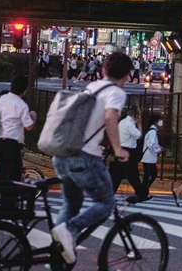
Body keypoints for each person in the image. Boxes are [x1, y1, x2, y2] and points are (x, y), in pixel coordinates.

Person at [50, 52, 133, 265]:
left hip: (62, 155)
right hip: (84, 158)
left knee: (71, 203)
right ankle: (70, 229)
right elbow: (110, 117)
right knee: (106, 203)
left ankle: (57, 256)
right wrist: (118, 149)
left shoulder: (91, 87)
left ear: (103, 70)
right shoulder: (115, 92)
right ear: (127, 75)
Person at [0, 73, 36, 182]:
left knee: (1, 173)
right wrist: (34, 117)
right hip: (11, 144)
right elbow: (29, 127)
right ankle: (9, 198)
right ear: (24, 90)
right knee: (13, 176)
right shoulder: (21, 105)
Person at [110, 104, 144, 199]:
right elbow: (139, 136)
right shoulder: (130, 124)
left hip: (121, 148)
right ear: (135, 115)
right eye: (139, 114)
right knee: (133, 174)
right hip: (128, 151)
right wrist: (139, 124)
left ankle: (110, 195)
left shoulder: (122, 122)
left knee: (117, 175)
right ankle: (141, 194)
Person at [138, 113, 162, 201]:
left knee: (150, 174)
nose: (161, 122)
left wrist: (158, 147)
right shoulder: (152, 131)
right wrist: (158, 150)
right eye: (159, 120)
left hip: (149, 158)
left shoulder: (152, 131)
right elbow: (151, 145)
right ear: (156, 121)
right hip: (149, 157)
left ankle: (144, 191)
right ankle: (143, 191)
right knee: (149, 175)